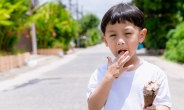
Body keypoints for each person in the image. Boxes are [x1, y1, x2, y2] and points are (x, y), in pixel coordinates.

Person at [86, 3, 171, 110]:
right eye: (113, 35)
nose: (120, 41)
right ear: (105, 40)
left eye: (127, 33)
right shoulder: (101, 73)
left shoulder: (155, 73)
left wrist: (155, 108)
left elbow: (165, 104)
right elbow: (93, 107)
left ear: (141, 35)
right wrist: (109, 77)